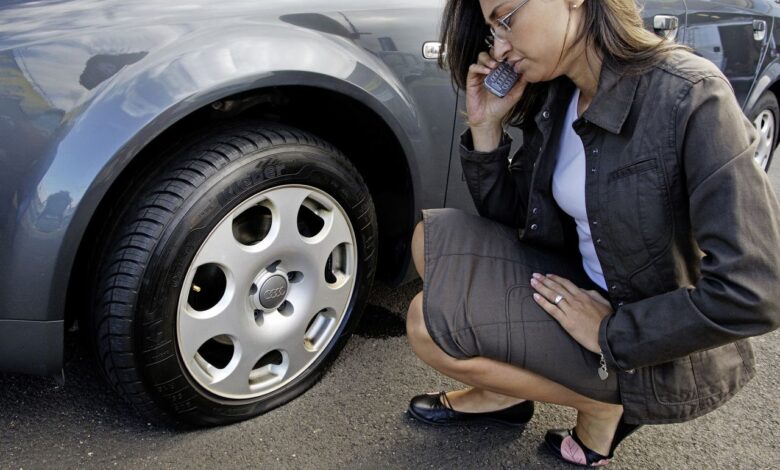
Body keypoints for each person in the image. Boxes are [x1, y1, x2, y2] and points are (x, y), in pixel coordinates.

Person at [404, 0, 780, 466]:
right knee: (432, 241)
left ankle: (603, 405)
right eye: (490, 31)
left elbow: (757, 290)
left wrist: (610, 331)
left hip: (649, 343)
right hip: (578, 285)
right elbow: (513, 221)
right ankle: (504, 394)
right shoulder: (561, 92)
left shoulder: (691, 95)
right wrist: (487, 128)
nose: (500, 46)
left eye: (506, 18)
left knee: (426, 323)